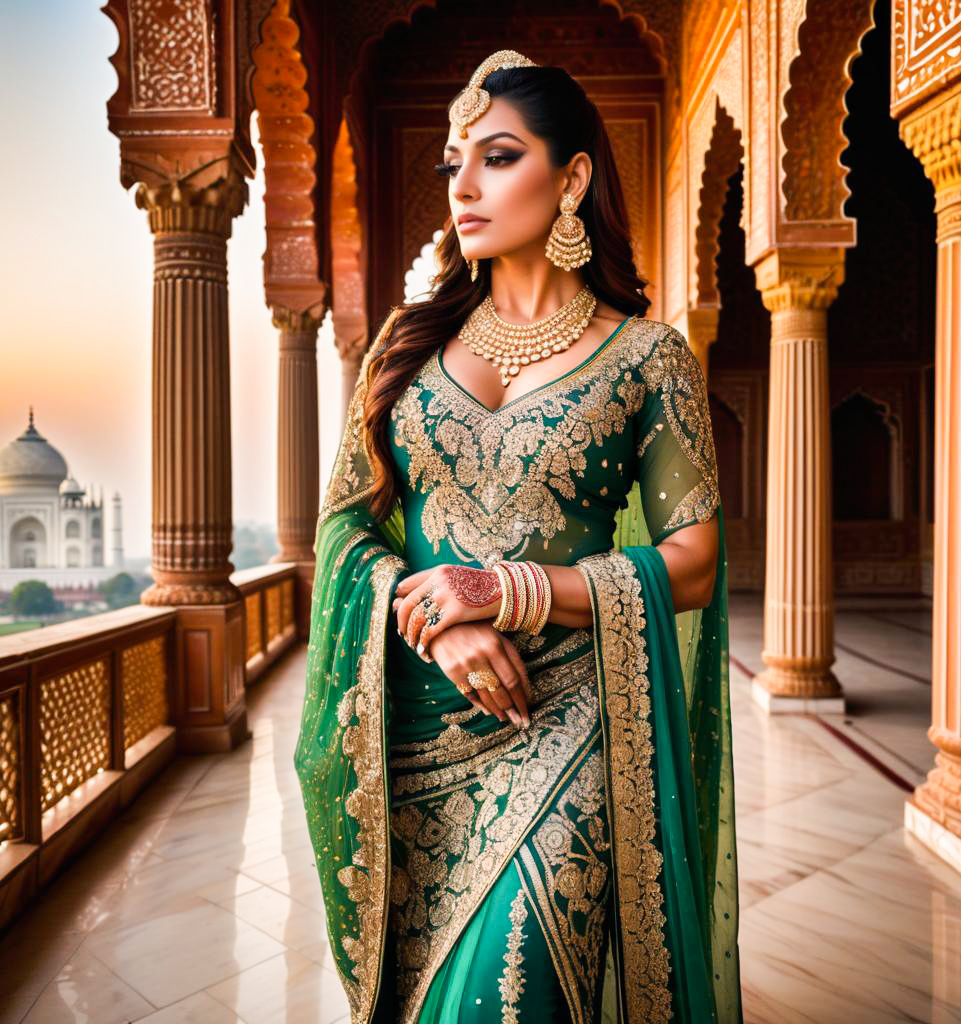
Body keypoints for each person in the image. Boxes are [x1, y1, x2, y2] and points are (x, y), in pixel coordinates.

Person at [295, 49, 742, 1024]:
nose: (461, 184)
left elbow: (696, 558)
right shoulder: (405, 347)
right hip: (412, 729)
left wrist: (509, 590)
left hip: (567, 717)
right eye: (454, 159)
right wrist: (445, 622)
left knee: (510, 983)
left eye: (496, 156)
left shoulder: (645, 357)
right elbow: (344, 528)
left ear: (571, 177)